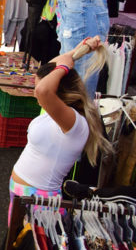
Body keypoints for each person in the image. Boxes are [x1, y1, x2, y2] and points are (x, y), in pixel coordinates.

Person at [8, 37, 113, 217]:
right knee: (15, 243)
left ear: (56, 90)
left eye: (37, 85)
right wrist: (77, 53)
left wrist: (64, 67)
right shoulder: (59, 114)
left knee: (25, 244)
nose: (35, 91)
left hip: (41, 201)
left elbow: (43, 91)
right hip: (24, 194)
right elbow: (48, 69)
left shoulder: (75, 122)